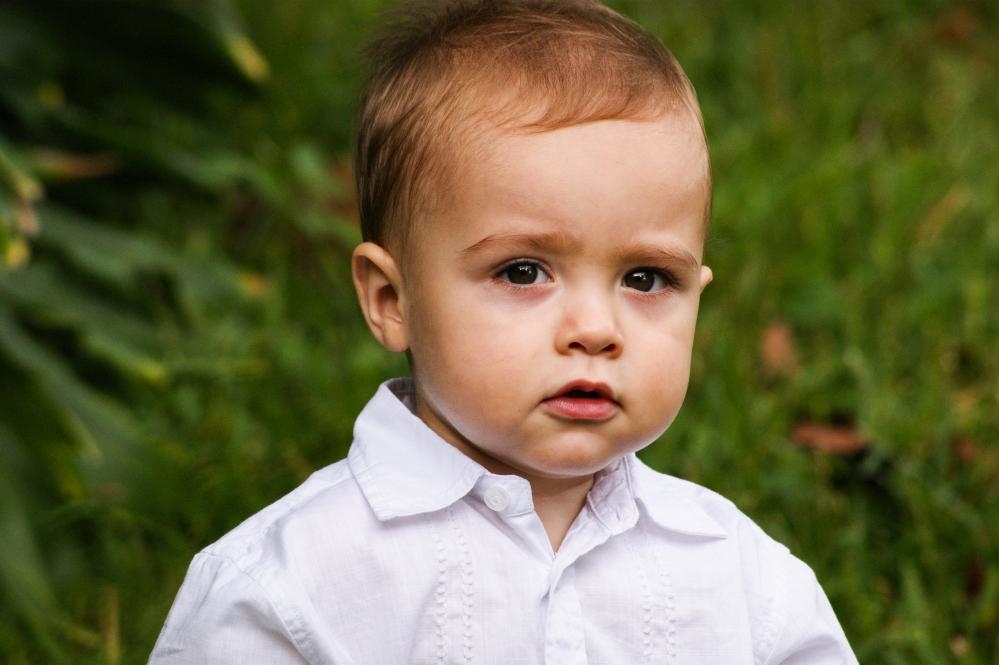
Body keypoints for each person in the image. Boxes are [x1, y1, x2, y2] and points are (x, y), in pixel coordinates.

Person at [149, 1, 859, 663]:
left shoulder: (747, 588)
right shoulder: (289, 589)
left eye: (645, 279)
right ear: (392, 299)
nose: (595, 329)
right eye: (523, 272)